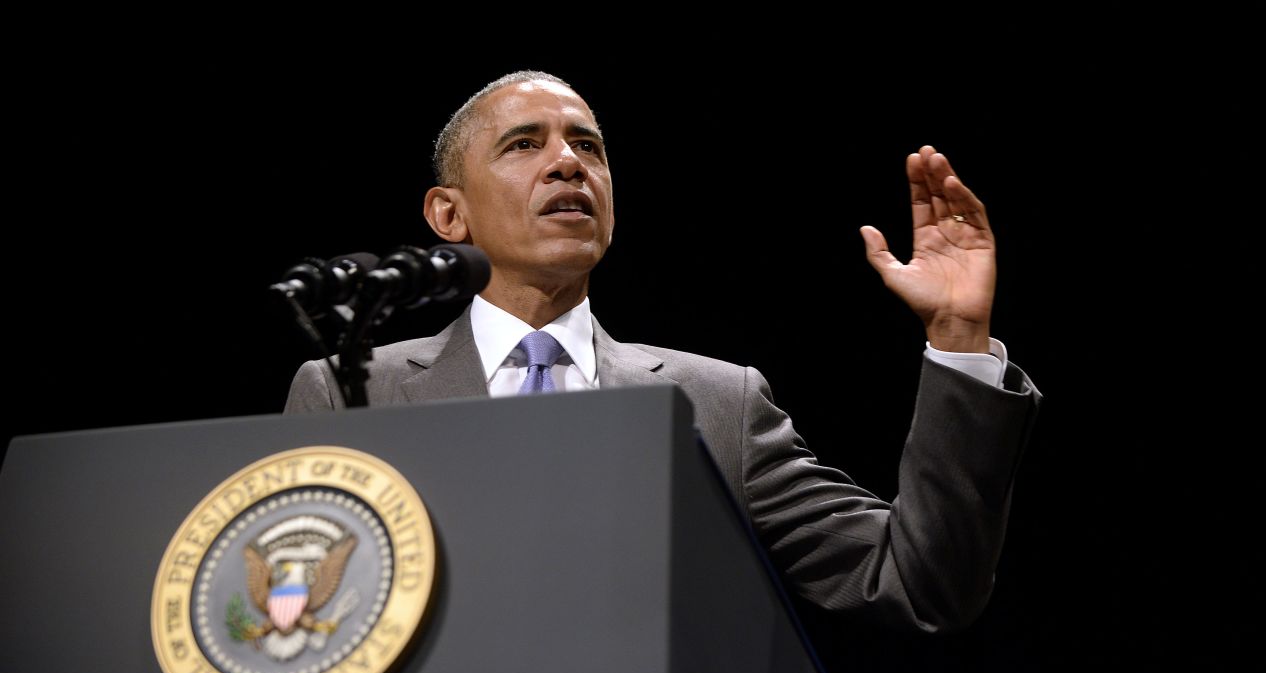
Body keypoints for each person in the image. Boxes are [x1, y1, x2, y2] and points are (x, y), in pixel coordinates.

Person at [285, 70, 1041, 633]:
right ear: (449, 212)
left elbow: (921, 585)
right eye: (524, 145)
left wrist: (958, 339)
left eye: (588, 147)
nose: (568, 164)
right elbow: (295, 619)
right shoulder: (352, 390)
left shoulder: (718, 403)